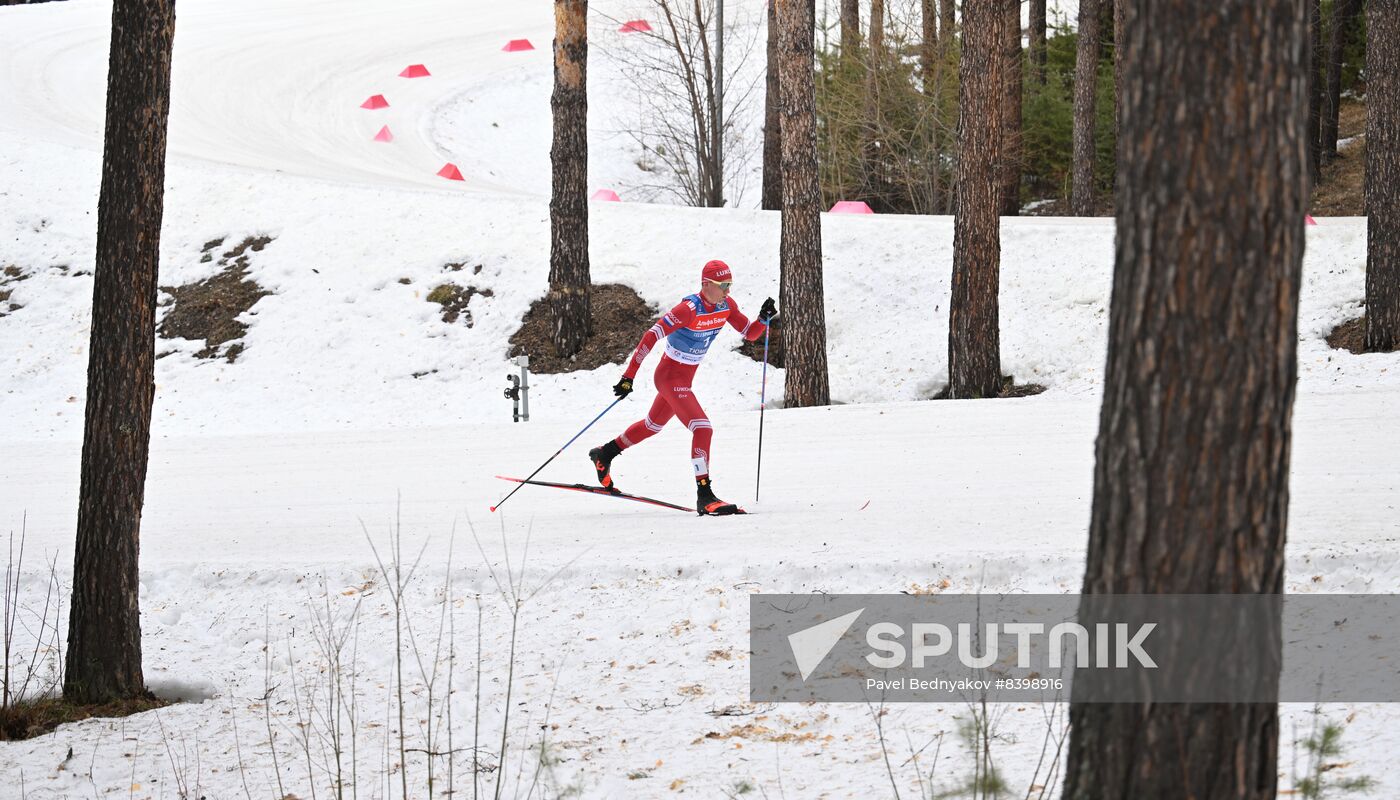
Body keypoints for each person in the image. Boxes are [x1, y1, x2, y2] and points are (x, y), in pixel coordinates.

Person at [589, 260, 778, 515]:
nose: (728, 291)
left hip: (683, 379)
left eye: (730, 285)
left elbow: (750, 333)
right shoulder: (688, 308)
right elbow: (651, 335)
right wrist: (628, 377)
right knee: (703, 429)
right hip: (669, 377)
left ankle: (605, 453)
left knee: (651, 426)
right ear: (706, 284)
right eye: (723, 285)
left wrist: (763, 319)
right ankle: (705, 495)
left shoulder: (726, 306)